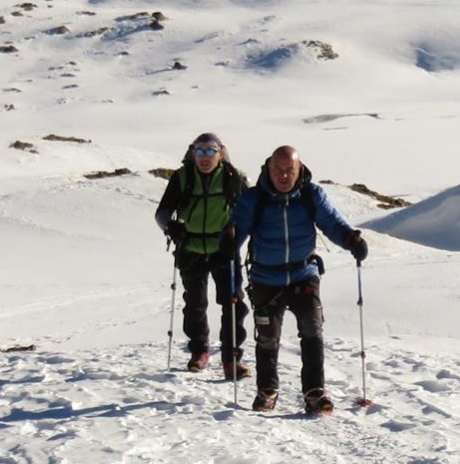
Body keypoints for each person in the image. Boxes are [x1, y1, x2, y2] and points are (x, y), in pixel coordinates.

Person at [233, 145, 368, 414]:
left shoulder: (311, 195)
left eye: (289, 170)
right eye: (278, 170)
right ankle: (267, 391)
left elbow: (332, 222)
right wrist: (227, 243)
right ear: (268, 168)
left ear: (299, 169)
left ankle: (314, 392)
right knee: (268, 337)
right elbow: (236, 230)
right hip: (265, 277)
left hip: (303, 274)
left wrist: (350, 240)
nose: (283, 176)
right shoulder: (253, 199)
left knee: (312, 330)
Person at [153, 132, 251, 379]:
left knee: (233, 303)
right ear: (193, 153)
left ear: (220, 153)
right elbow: (162, 213)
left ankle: (231, 358)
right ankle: (200, 351)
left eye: (210, 151)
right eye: (200, 151)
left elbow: (249, 213)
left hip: (223, 249)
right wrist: (171, 227)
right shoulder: (182, 177)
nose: (204, 157)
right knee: (195, 304)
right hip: (191, 248)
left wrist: (236, 237)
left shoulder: (233, 178)